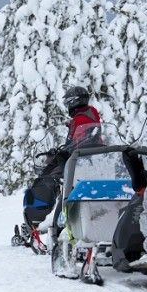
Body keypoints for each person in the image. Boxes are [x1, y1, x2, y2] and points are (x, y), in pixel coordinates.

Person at [22, 86, 101, 229]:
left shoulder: (81, 119)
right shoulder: (90, 115)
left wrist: (63, 152)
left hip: (78, 161)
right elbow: (82, 138)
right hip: (90, 160)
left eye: (68, 103)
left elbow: (79, 141)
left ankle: (46, 222)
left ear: (73, 102)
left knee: (48, 179)